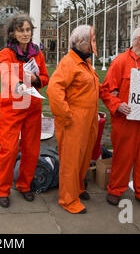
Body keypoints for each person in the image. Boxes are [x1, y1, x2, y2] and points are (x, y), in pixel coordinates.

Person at [100, 25, 140, 210]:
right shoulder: (120, 62)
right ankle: (116, 189)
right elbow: (106, 91)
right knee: (123, 157)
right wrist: (117, 105)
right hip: (125, 121)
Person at [0, 14, 49, 208]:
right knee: (8, 151)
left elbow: (45, 77)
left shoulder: (37, 53)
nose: (25, 33)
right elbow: (6, 75)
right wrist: (18, 84)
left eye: (28, 30)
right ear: (13, 33)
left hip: (33, 108)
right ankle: (3, 190)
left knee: (31, 151)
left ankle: (24, 185)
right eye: (21, 30)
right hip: (12, 108)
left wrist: (35, 80)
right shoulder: (6, 53)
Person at [47, 25, 99, 214]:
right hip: (74, 121)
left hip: (87, 120)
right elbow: (54, 90)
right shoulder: (70, 62)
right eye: (91, 41)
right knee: (71, 160)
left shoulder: (84, 62)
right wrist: (66, 116)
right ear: (80, 43)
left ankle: (77, 188)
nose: (94, 45)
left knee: (83, 157)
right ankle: (68, 200)